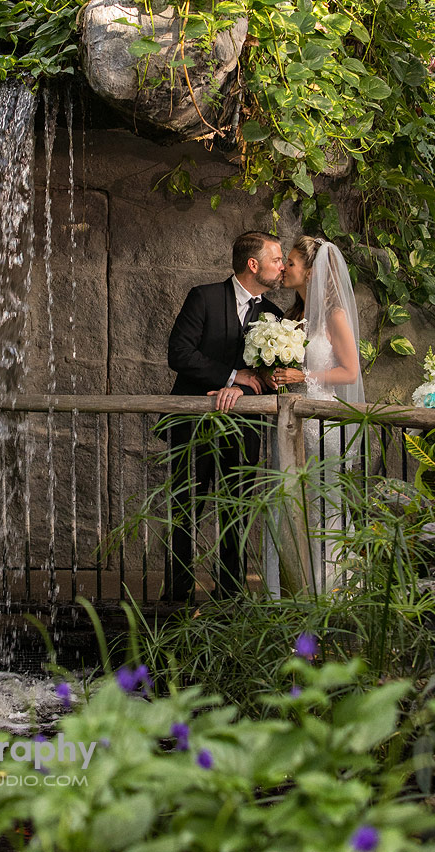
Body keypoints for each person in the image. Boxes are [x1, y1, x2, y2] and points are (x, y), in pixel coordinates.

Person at [165, 231, 285, 600]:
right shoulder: (203, 297)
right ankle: (177, 594)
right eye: (276, 260)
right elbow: (179, 354)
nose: (282, 267)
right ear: (254, 265)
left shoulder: (274, 316)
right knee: (187, 506)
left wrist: (243, 388)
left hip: (244, 428)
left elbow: (268, 378)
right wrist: (231, 376)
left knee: (239, 508)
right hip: (194, 424)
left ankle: (230, 593)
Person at [273, 235, 364, 590]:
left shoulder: (334, 316)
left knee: (323, 503)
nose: (283, 269)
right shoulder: (293, 316)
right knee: (290, 501)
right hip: (292, 422)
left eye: (291, 264)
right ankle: (292, 586)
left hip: (322, 423)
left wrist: (303, 376)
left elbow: (350, 371)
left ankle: (330, 589)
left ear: (310, 273)